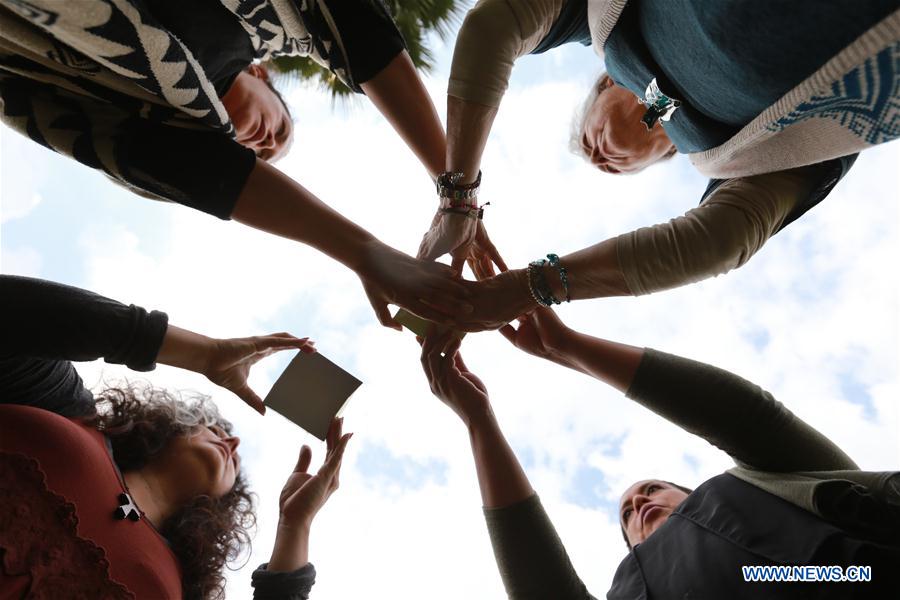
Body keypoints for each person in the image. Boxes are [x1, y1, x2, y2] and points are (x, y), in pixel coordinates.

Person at [417, 0, 898, 331]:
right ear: (667, 154)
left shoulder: (603, 22)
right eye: (611, 169)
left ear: (605, 84)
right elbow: (719, 241)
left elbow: (493, 26)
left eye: (588, 141)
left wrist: (458, 201)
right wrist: (529, 288)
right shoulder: (741, 156)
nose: (601, 158)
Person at [0, 0, 469, 329]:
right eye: (279, 130)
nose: (262, 145)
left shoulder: (153, 127)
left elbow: (200, 174)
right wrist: (456, 190)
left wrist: (367, 255)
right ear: (262, 75)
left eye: (261, 156)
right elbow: (350, 26)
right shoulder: (272, 25)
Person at [417, 312, 900, 598]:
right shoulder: (631, 586)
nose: (639, 503)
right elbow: (542, 589)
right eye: (628, 513)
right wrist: (479, 423)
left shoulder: (769, 487)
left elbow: (748, 416)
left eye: (651, 489)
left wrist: (567, 345)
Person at [0, 275, 351, 599]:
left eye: (235, 456)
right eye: (214, 428)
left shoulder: (181, 591)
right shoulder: (69, 412)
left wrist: (294, 527)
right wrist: (205, 354)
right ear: (170, 426)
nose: (233, 443)